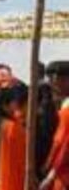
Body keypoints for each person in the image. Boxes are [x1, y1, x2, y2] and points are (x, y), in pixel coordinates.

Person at [43, 61, 69, 190]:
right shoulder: (54, 102)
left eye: (57, 79)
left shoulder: (67, 109)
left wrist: (49, 169)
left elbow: (62, 145)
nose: (53, 84)